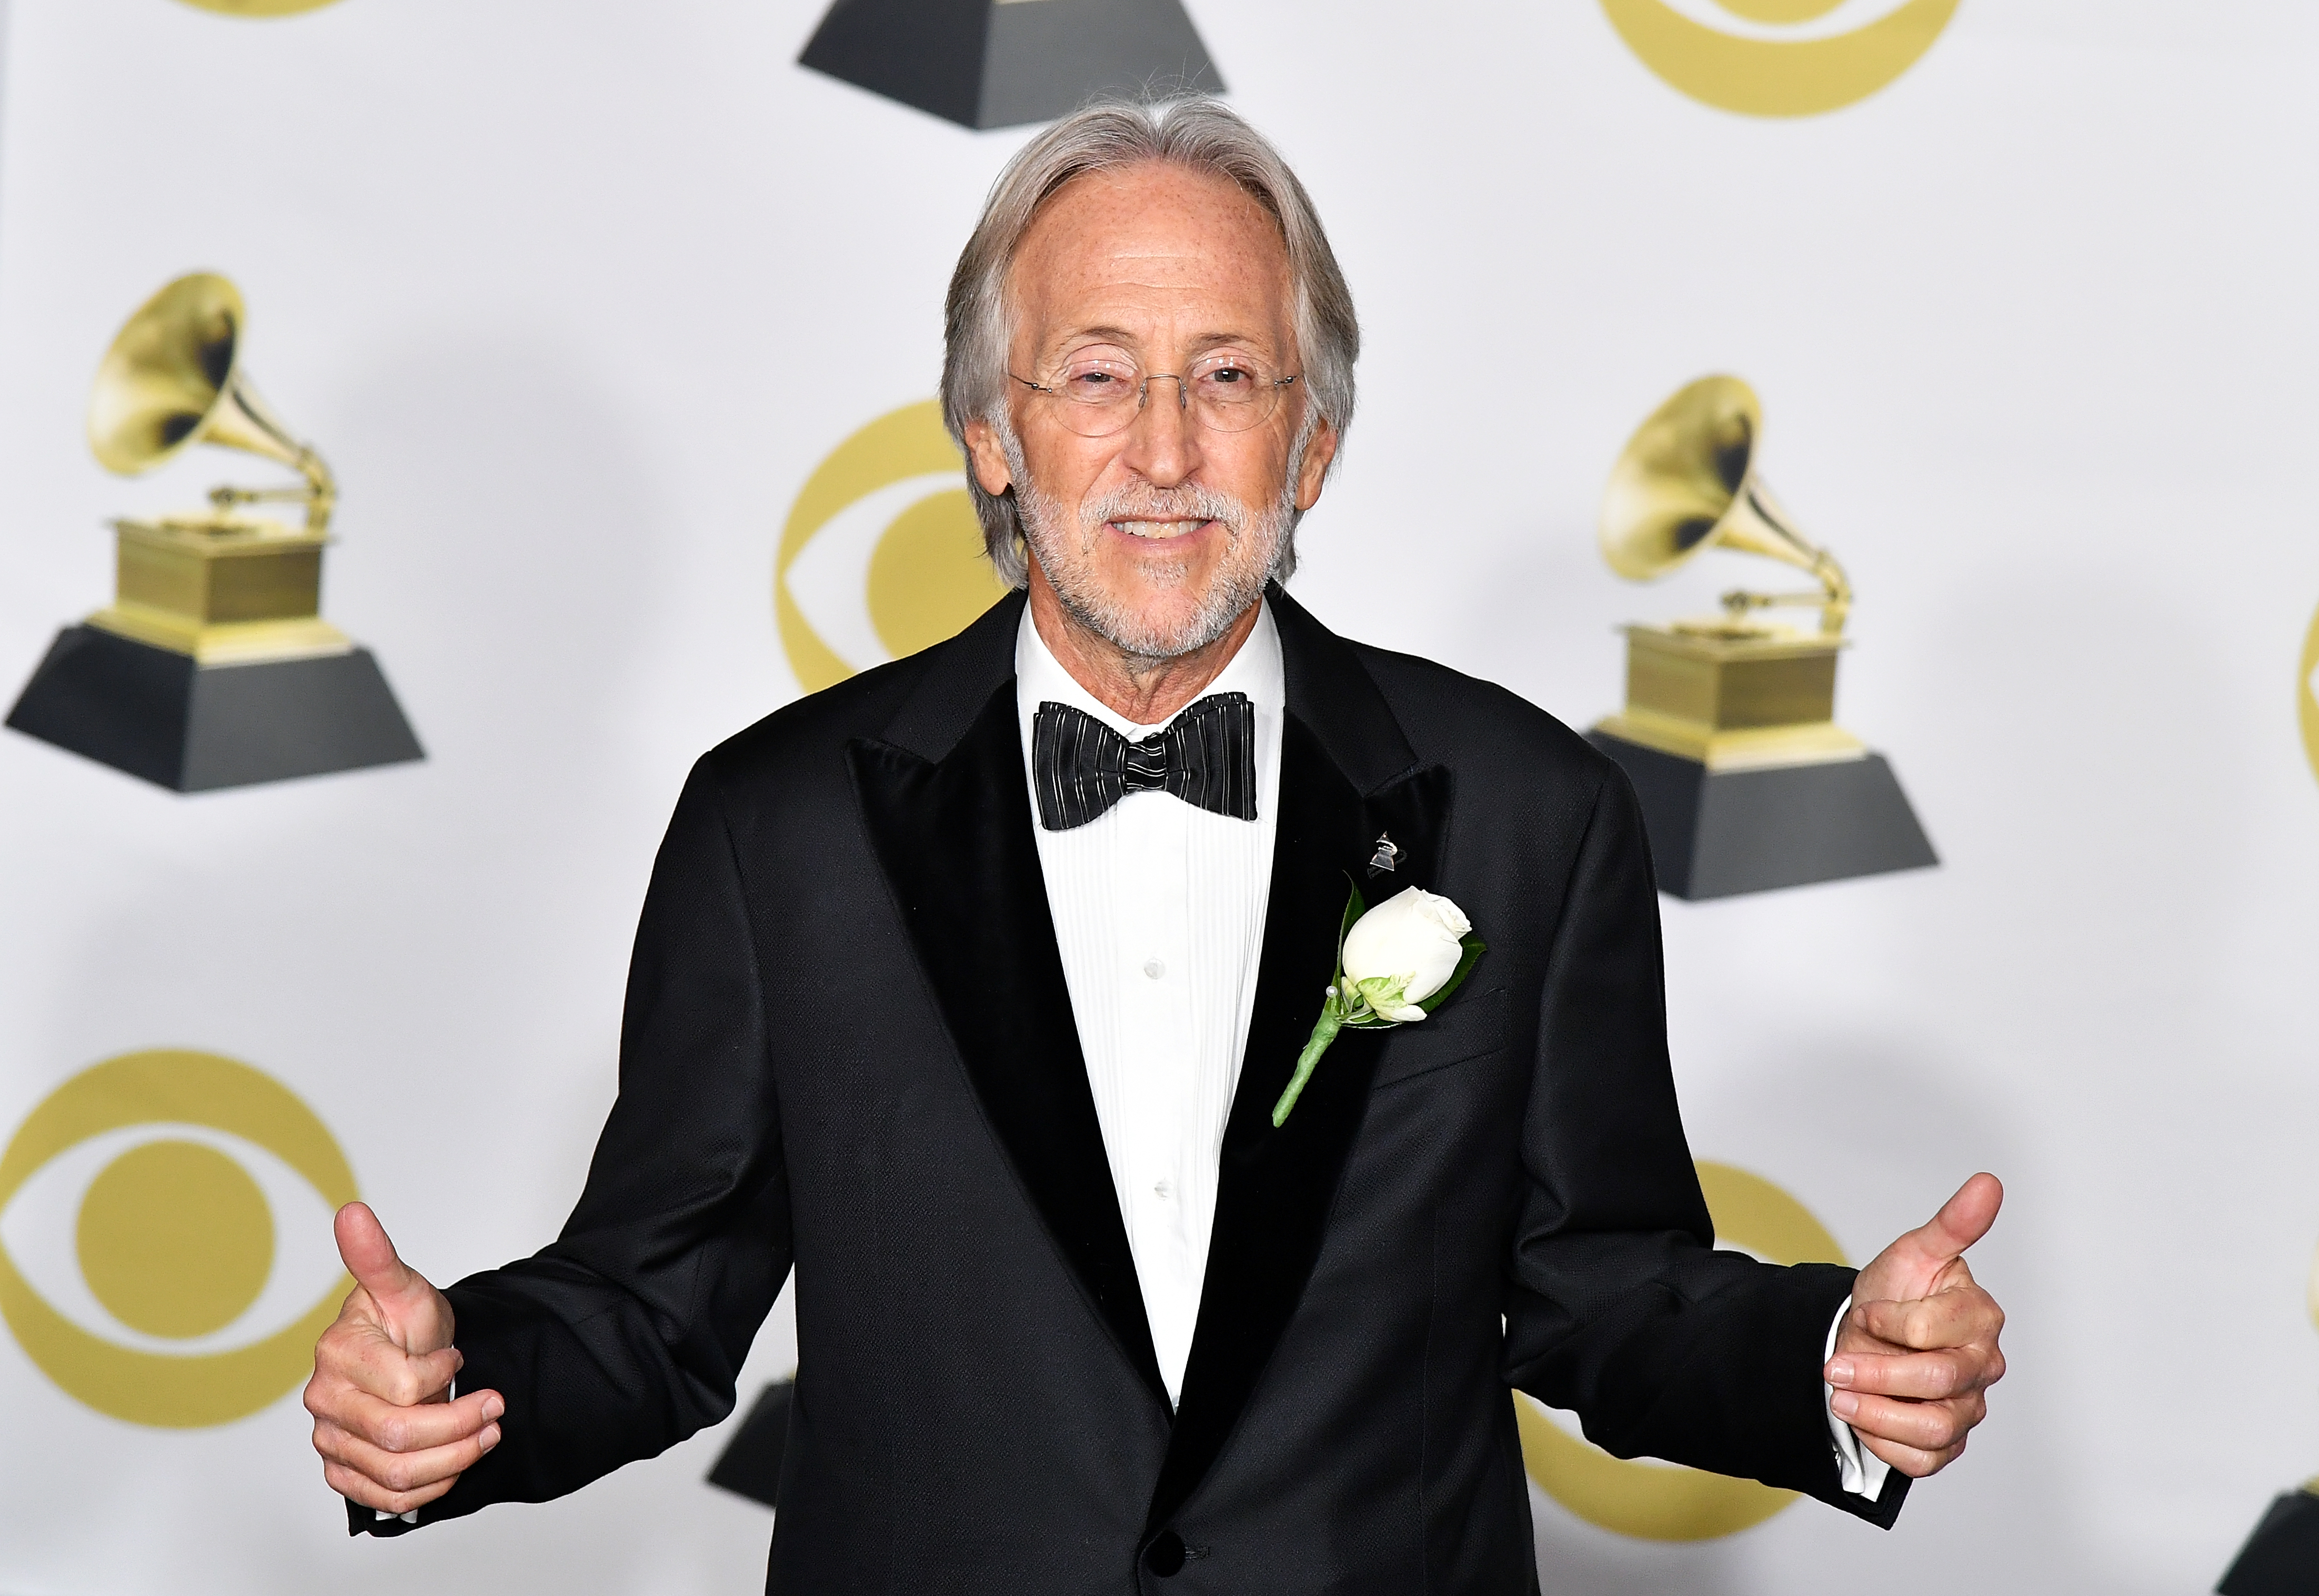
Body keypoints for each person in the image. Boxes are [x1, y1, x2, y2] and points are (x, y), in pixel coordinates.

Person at [304, 96, 2005, 1592]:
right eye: (1098, 375)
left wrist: (1832, 1356)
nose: (1168, 452)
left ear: (1314, 440)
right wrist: (456, 1387)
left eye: (1229, 378)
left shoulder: (1525, 805)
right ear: (993, 432)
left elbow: (1603, 1286)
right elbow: (652, 1305)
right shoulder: (781, 825)